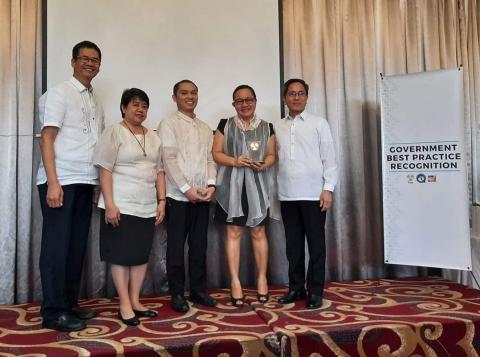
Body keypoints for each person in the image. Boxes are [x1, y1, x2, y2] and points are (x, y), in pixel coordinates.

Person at [37, 41, 104, 331]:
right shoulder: (59, 93)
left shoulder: (94, 100)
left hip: (85, 180)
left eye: (95, 60)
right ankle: (53, 312)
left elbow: (96, 145)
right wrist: (53, 182)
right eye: (85, 59)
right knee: (57, 248)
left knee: (76, 247)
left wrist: (98, 184)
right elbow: (47, 138)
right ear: (73, 61)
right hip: (61, 180)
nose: (90, 64)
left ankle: (69, 304)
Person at [94, 88, 165, 326]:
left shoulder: (154, 137)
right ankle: (124, 303)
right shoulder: (114, 132)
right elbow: (104, 169)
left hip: (146, 204)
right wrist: (110, 204)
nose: (140, 109)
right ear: (124, 107)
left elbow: (159, 172)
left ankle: (135, 300)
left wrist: (162, 201)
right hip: (121, 204)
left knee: (140, 255)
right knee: (122, 255)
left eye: (144, 106)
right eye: (135, 105)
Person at [275, 78, 338, 309]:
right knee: (293, 247)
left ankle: (315, 291)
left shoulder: (319, 123)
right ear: (284, 98)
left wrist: (328, 189)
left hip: (313, 194)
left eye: (301, 93)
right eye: (291, 94)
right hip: (287, 194)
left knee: (316, 245)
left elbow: (329, 158)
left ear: (307, 97)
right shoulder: (277, 126)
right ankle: (295, 288)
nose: (296, 97)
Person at [212, 85, 276, 306]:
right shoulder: (224, 124)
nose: (245, 104)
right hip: (231, 187)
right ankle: (235, 282)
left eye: (249, 99)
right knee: (233, 232)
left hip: (257, 188)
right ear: (234, 104)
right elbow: (216, 153)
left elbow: (271, 155)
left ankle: (261, 279)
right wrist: (235, 161)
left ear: (256, 101)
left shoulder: (267, 127)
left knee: (258, 232)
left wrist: (264, 164)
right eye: (239, 101)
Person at [157, 79, 217, 313]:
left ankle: (199, 291)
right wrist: (185, 189)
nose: (190, 96)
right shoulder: (168, 124)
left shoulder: (204, 127)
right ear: (175, 97)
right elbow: (168, 160)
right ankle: (177, 293)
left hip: (202, 196)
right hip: (177, 197)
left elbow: (211, 160)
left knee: (199, 246)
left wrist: (211, 185)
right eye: (184, 93)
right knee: (175, 248)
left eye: (194, 92)